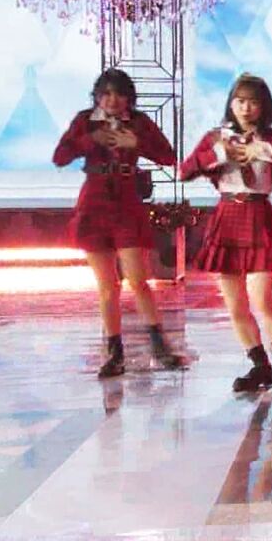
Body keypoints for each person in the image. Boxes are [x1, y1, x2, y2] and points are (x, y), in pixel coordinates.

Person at [180, 74, 272, 392]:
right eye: (240, 101)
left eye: (253, 102)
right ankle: (260, 366)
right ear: (231, 103)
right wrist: (220, 154)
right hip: (227, 215)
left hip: (259, 214)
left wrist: (265, 152)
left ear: (264, 106)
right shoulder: (217, 138)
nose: (246, 108)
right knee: (235, 304)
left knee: (262, 297)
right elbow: (184, 171)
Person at [52, 69, 185, 377]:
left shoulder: (138, 122)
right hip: (94, 200)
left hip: (126, 201)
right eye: (106, 94)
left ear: (129, 98)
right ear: (97, 96)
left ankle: (160, 347)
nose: (112, 100)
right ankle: (114, 353)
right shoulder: (85, 120)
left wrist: (136, 142)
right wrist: (90, 140)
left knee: (138, 279)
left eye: (119, 94)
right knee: (107, 285)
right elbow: (60, 156)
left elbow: (168, 156)